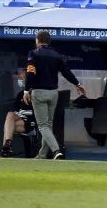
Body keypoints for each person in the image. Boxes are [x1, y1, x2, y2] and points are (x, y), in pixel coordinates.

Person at [23, 31, 86, 160]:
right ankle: (42, 155)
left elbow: (31, 73)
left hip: (39, 92)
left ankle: (56, 150)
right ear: (49, 41)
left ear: (38, 40)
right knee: (48, 125)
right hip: (53, 93)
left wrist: (26, 90)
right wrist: (77, 83)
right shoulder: (56, 55)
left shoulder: (33, 53)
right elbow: (66, 72)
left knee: (42, 125)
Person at [0, 70, 37, 158]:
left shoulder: (35, 93)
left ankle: (6, 149)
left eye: (22, 79)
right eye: (19, 78)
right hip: (19, 121)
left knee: (8, 123)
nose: (20, 81)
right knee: (9, 118)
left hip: (30, 123)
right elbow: (14, 109)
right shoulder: (20, 94)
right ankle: (7, 148)